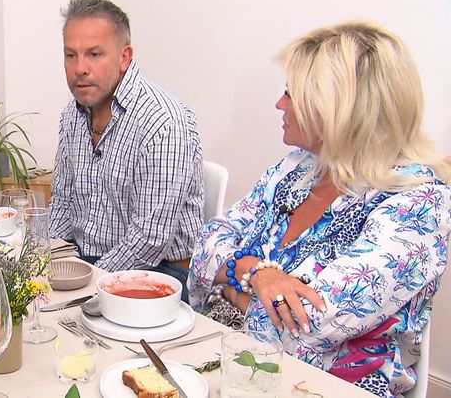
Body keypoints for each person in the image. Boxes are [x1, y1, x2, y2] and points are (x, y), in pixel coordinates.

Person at [187, 22, 449, 397]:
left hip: (324, 386)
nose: (279, 104)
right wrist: (257, 273)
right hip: (230, 357)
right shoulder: (297, 167)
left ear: (337, 110)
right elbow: (206, 244)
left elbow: (306, 328)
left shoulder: (419, 205)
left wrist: (231, 282)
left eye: (290, 94)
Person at [48, 0, 204, 297]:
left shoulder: (163, 122)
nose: (80, 68)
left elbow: (149, 238)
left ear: (124, 57)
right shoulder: (72, 115)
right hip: (86, 261)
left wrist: (88, 287)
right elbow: (62, 202)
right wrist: (50, 262)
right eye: (70, 55)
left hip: (158, 273)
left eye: (94, 54)